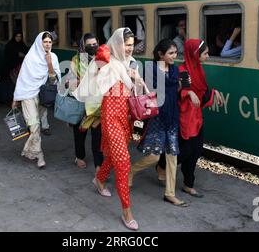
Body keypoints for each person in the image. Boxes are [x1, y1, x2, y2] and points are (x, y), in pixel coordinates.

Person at [73, 27, 140, 231]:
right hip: (110, 116)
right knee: (123, 160)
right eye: (125, 45)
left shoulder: (131, 64)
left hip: (126, 117)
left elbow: (134, 90)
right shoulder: (106, 59)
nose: (129, 49)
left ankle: (99, 180)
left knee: (111, 156)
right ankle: (127, 211)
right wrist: (103, 61)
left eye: (131, 45)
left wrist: (135, 78)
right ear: (117, 44)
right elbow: (93, 81)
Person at [158, 39, 223, 198]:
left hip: (196, 117)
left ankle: (188, 184)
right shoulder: (182, 70)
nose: (208, 56)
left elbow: (203, 90)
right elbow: (179, 92)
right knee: (186, 150)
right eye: (205, 53)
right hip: (184, 117)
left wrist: (215, 93)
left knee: (196, 150)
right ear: (195, 54)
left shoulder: (199, 70)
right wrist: (189, 92)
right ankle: (162, 165)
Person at [129, 39, 187, 208]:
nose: (174, 57)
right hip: (156, 118)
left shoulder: (175, 70)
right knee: (154, 156)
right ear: (160, 54)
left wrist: (181, 86)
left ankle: (170, 193)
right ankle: (131, 171)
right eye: (171, 53)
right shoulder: (150, 69)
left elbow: (174, 92)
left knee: (172, 157)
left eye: (175, 53)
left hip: (172, 117)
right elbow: (145, 91)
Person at [12, 31, 61, 168]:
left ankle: (28, 150)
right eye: (45, 41)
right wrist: (16, 98)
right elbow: (22, 78)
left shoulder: (54, 57)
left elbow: (54, 81)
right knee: (34, 125)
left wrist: (49, 64)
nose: (47, 44)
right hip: (28, 94)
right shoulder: (30, 57)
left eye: (50, 42)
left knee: (37, 126)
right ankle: (40, 155)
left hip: (43, 95)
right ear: (39, 42)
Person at [68, 33, 103, 170]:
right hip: (81, 101)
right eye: (90, 45)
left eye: (95, 44)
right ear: (83, 46)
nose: (93, 47)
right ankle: (79, 156)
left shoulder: (102, 59)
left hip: (97, 104)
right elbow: (70, 81)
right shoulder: (77, 60)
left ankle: (98, 164)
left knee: (97, 135)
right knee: (80, 132)